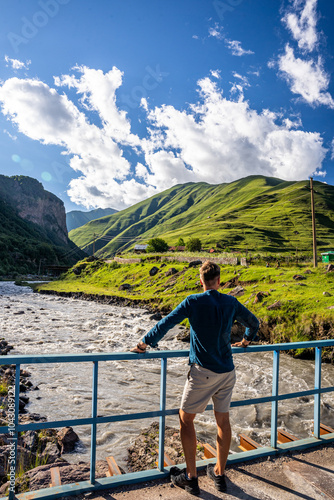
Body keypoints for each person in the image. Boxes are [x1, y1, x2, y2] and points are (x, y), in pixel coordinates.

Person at [130, 260, 259, 495]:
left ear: (201, 282)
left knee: (185, 419)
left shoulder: (193, 301)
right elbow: (254, 322)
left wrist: (144, 343)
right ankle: (219, 473)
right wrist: (246, 341)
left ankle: (190, 477)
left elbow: (167, 323)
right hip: (227, 372)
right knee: (223, 421)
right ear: (219, 281)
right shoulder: (231, 301)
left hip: (203, 373)